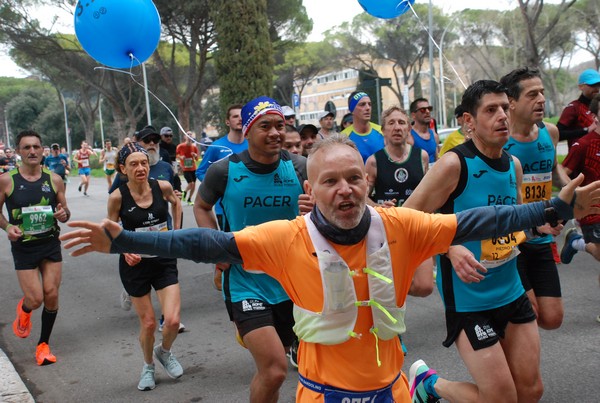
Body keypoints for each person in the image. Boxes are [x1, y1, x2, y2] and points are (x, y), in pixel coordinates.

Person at [61, 134, 600, 403]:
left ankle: (422, 384)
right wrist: (127, 239)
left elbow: (480, 219)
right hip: (322, 396)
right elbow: (208, 241)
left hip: (391, 391)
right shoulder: (284, 238)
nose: (345, 189)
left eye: (353, 178)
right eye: (329, 181)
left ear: (366, 182)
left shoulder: (400, 226)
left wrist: (553, 209)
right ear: (310, 189)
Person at [404, 79, 559, 402]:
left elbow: (509, 226)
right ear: (468, 122)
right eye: (491, 109)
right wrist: (448, 247)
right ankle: (429, 384)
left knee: (531, 391)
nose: (502, 115)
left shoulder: (513, 166)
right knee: (500, 398)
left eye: (505, 107)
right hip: (470, 301)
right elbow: (406, 220)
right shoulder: (453, 165)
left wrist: (536, 228)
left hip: (511, 289)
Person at [193, 96, 308, 403]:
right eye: (265, 126)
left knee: (288, 362)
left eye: (279, 126)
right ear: (246, 131)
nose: (275, 133)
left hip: (295, 281)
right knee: (275, 371)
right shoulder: (224, 171)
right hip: (246, 282)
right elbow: (201, 206)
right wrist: (217, 250)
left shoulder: (299, 168)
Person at [106, 142, 183, 391]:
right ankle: (148, 365)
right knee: (149, 323)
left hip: (163, 259)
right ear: (122, 169)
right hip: (135, 265)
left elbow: (177, 203)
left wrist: (176, 235)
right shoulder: (117, 197)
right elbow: (110, 230)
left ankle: (165, 351)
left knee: (171, 321)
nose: (141, 168)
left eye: (143, 162)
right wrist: (125, 250)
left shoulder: (162, 186)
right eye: (133, 164)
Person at [499, 67, 570, 330]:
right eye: (532, 94)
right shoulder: (499, 141)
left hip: (543, 234)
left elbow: (554, 168)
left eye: (542, 92)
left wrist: (570, 189)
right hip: (511, 241)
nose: (541, 99)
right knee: (527, 314)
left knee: (552, 319)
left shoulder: (549, 132)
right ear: (512, 102)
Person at [0, 130, 70, 366]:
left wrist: (62, 214)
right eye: (26, 147)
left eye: (36, 147)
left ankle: (43, 345)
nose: (32, 151)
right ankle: (25, 309)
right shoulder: (7, 180)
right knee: (36, 298)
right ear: (19, 152)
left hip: (50, 244)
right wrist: (8, 226)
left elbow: (65, 212)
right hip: (24, 248)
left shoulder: (54, 179)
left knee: (51, 294)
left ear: (43, 150)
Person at [366, 105, 433, 299]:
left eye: (401, 123)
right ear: (383, 130)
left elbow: (429, 192)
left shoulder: (421, 156)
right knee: (388, 289)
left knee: (425, 286)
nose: (397, 127)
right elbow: (362, 197)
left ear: (408, 128)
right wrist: (379, 207)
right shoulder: (373, 161)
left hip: (416, 228)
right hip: (387, 232)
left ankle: (394, 288)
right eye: (391, 123)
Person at [195, 104, 248, 291]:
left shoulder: (252, 144)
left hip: (248, 206)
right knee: (228, 245)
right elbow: (201, 171)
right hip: (222, 208)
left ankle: (244, 281)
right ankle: (222, 274)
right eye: (235, 116)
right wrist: (218, 187)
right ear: (227, 121)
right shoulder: (217, 147)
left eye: (242, 116)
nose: (239, 119)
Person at [560, 93, 600, 264]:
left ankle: (576, 241)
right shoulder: (584, 144)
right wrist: (575, 193)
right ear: (594, 116)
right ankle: (576, 242)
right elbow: (562, 170)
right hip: (592, 210)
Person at [557, 69, 600, 150]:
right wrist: (586, 130)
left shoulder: (598, 105)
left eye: (598, 85)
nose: (596, 88)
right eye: (592, 85)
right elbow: (558, 134)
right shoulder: (573, 107)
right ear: (581, 86)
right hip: (581, 157)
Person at [341, 91, 384, 163]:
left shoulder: (382, 131)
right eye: (362, 104)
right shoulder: (343, 137)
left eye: (369, 104)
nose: (368, 108)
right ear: (352, 110)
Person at [409, 98, 439, 165]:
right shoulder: (409, 137)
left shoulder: (434, 135)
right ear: (413, 115)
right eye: (423, 110)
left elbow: (437, 160)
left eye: (429, 108)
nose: (427, 111)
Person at [176, 131, 200, 205]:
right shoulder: (180, 146)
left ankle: (189, 199)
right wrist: (181, 157)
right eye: (187, 134)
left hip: (193, 168)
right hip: (185, 168)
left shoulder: (194, 147)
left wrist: (195, 155)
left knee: (194, 184)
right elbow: (176, 155)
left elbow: (197, 159)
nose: (189, 136)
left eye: (190, 134)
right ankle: (184, 192)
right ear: (185, 137)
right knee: (191, 183)